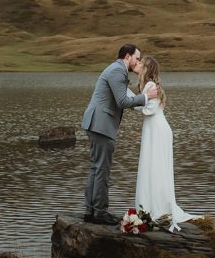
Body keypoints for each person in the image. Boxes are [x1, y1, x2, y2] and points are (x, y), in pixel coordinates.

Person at [82, 44, 158, 225]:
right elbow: (122, 101)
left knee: (96, 168)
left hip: (96, 123)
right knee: (102, 170)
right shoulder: (118, 71)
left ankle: (90, 211)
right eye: (137, 58)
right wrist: (147, 96)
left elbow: (125, 99)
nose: (138, 62)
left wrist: (141, 100)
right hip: (101, 125)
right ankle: (100, 212)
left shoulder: (115, 70)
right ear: (127, 56)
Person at [133, 55, 199, 232]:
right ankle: (154, 205)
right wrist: (134, 99)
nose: (137, 64)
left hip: (157, 131)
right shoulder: (147, 86)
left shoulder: (150, 86)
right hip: (154, 130)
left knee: (155, 166)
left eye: (140, 63)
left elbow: (148, 109)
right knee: (154, 167)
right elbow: (143, 105)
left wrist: (133, 100)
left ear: (146, 68)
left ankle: (157, 207)